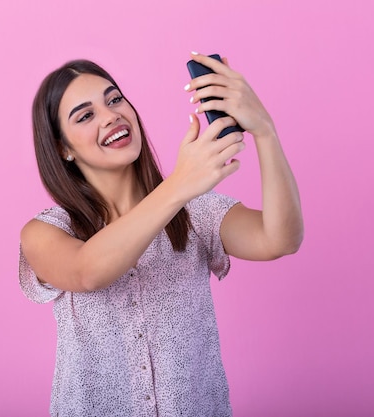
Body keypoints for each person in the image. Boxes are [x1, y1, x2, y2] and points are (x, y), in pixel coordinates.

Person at [19, 52, 303, 417]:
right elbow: (87, 272)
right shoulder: (45, 232)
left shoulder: (196, 212)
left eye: (115, 99)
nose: (111, 116)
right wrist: (179, 185)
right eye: (86, 115)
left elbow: (281, 239)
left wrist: (265, 130)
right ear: (63, 148)